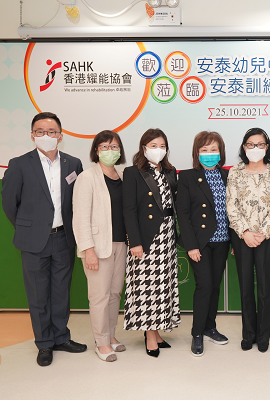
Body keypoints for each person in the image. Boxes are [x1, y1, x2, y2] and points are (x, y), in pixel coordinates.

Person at [1, 112, 87, 367]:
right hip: (33, 241)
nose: (46, 136)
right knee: (38, 294)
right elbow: (9, 204)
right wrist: (29, 228)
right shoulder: (19, 164)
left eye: (51, 132)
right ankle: (44, 343)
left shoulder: (73, 164)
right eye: (40, 131)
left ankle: (61, 336)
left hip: (64, 238)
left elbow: (77, 202)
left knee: (61, 292)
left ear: (61, 135)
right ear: (32, 135)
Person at [226, 127, 270, 353]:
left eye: (260, 144)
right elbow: (231, 205)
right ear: (244, 147)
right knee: (245, 287)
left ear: (267, 147)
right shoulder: (235, 172)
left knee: (264, 287)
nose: (255, 148)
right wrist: (245, 233)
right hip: (242, 237)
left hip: (266, 237)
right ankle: (248, 333)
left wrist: (263, 233)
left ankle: (263, 335)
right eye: (250, 144)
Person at [122, 128, 180, 358]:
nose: (158, 150)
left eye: (162, 145)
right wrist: (134, 242)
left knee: (163, 284)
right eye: (153, 145)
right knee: (148, 288)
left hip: (166, 235)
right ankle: (149, 334)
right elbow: (129, 210)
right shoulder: (133, 172)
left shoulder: (170, 171)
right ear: (144, 147)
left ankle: (157, 331)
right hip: (145, 238)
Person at [72, 130, 127, 362]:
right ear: (96, 151)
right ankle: (101, 342)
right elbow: (80, 217)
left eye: (114, 147)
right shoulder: (87, 177)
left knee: (114, 293)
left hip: (121, 245)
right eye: (104, 147)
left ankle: (111, 336)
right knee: (99, 297)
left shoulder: (123, 176)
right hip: (97, 246)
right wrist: (88, 250)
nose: (109, 151)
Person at [177, 131, 231, 357]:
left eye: (214, 150)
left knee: (215, 285)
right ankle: (197, 332)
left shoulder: (229, 175)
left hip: (224, 240)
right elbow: (183, 213)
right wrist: (190, 245)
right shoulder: (188, 177)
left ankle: (210, 327)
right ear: (196, 153)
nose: (209, 154)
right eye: (204, 150)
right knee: (204, 285)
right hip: (200, 243)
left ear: (221, 152)